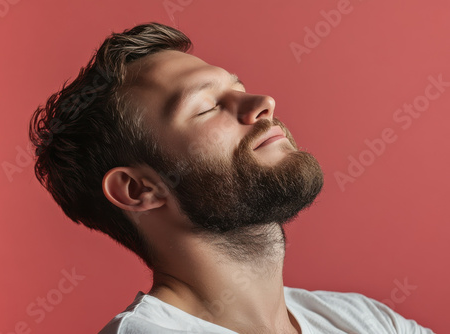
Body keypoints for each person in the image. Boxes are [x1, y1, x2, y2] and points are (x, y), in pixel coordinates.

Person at [29, 22, 434, 334]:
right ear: (139, 189)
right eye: (206, 108)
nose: (263, 103)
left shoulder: (361, 319)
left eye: (238, 88)